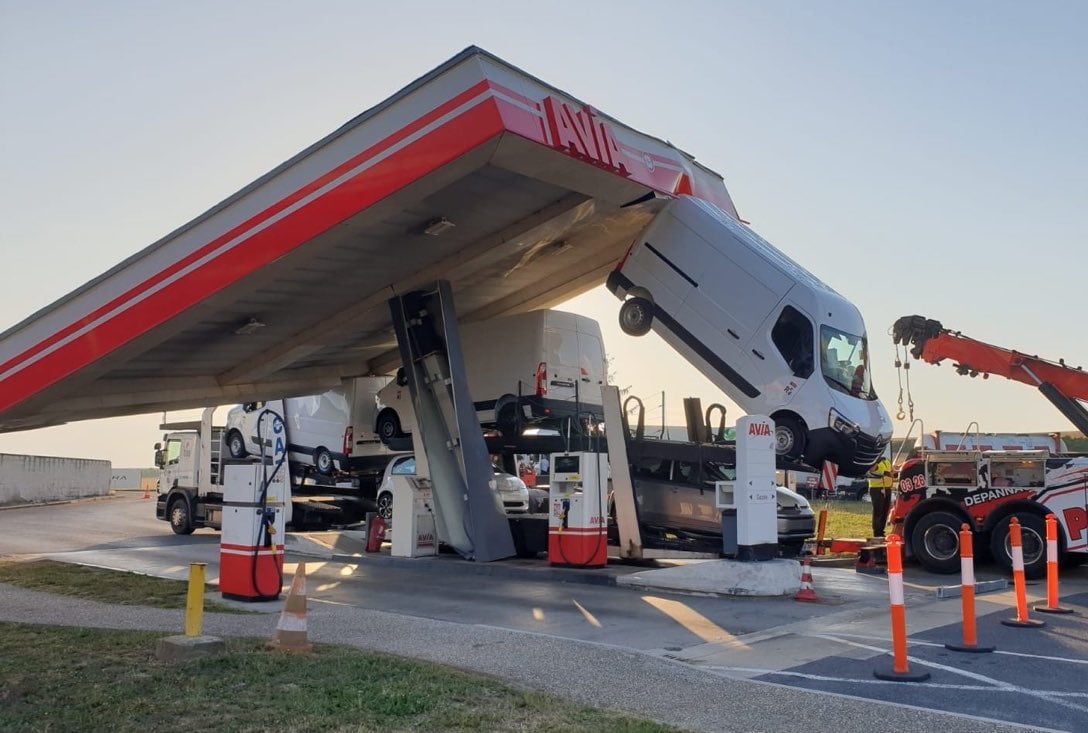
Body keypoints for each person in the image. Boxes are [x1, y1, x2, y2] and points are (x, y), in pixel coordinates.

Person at [868, 456, 895, 539]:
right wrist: (876, 461)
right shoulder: (873, 460)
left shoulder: (887, 460)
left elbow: (892, 472)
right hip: (877, 488)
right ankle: (877, 532)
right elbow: (871, 470)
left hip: (887, 488)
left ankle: (881, 532)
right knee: (878, 512)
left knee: (885, 511)